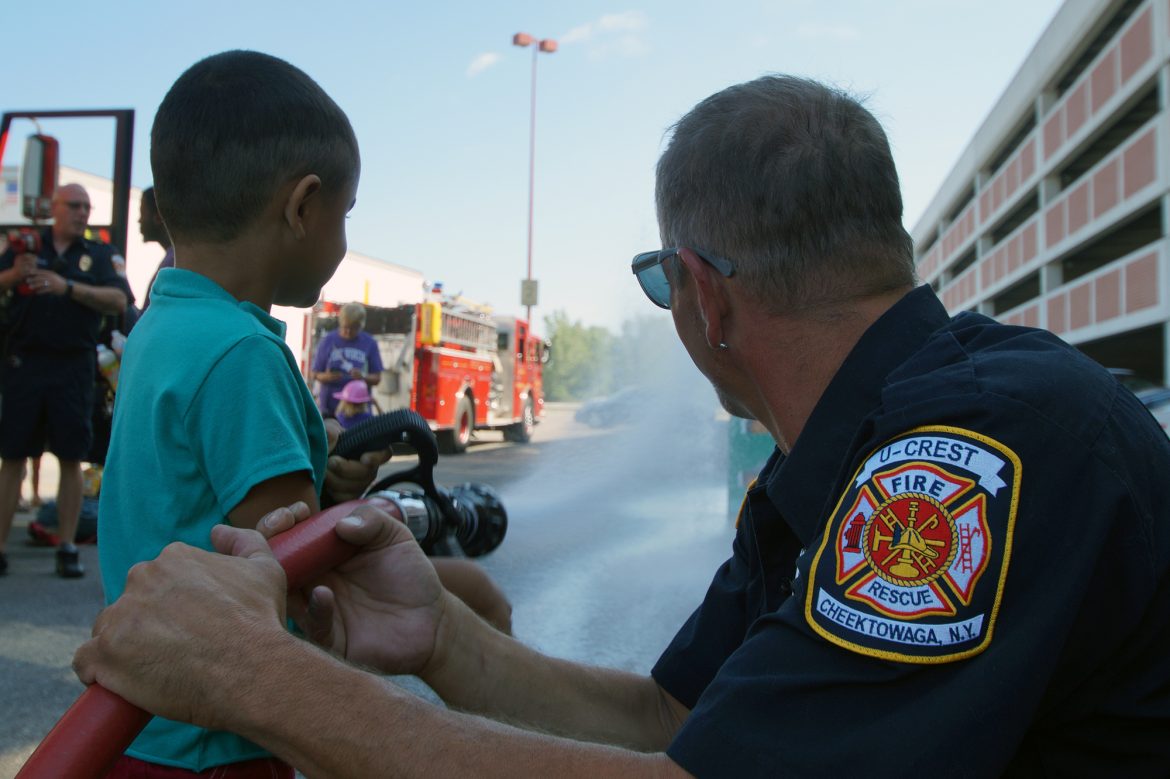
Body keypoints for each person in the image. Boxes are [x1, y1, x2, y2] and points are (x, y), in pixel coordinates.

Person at [74, 75, 1170, 776]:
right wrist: (442, 638)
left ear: (704, 294)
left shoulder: (958, 458)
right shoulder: (842, 459)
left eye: (659, 283)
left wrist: (252, 673)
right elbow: (670, 718)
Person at [91, 50, 385, 778]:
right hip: (221, 737)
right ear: (302, 206)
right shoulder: (244, 354)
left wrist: (323, 470)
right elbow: (294, 565)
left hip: (142, 721)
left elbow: (197, 493)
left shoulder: (163, 324)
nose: (344, 233)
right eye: (344, 213)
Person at [0, 183, 129, 578]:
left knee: (71, 456)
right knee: (12, 456)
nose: (82, 213)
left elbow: (119, 299)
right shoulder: (26, 246)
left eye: (86, 207)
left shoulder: (99, 254)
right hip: (24, 363)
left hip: (73, 365)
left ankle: (68, 546)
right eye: (74, 205)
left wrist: (67, 287)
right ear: (54, 208)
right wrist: (13, 275)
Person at [310, 301, 382, 418]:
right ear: (340, 322)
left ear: (361, 326)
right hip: (330, 409)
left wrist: (362, 376)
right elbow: (314, 373)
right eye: (345, 327)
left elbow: (377, 378)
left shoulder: (370, 343)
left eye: (353, 328)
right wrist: (326, 377)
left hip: (358, 412)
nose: (348, 332)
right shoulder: (327, 341)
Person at [137, 186, 174, 313]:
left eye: (142, 213)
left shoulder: (171, 264)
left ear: (158, 217)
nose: (139, 220)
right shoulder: (174, 258)